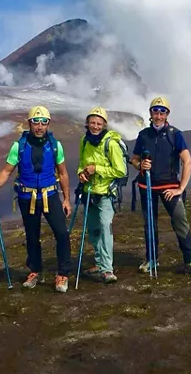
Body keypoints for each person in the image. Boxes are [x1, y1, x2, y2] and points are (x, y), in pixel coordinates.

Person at [0, 106, 73, 293]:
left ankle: (63, 274)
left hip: (50, 195)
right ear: (29, 123)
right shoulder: (19, 146)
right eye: (35, 122)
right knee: (32, 236)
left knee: (62, 234)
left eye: (43, 122)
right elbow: (7, 171)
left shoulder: (56, 146)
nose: (39, 126)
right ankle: (35, 271)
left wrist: (66, 199)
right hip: (27, 197)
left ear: (48, 123)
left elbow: (63, 173)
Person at [129, 96, 191, 276]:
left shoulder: (175, 134)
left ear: (167, 114)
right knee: (150, 224)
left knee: (180, 221)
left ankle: (190, 260)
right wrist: (139, 165)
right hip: (147, 186)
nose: (159, 115)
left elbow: (188, 162)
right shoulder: (143, 135)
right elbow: (134, 158)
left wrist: (180, 188)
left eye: (162, 111)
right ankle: (151, 259)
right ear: (150, 113)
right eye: (155, 111)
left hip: (170, 185)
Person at [76, 106, 128, 284]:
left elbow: (120, 171)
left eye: (99, 123)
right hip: (89, 192)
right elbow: (82, 164)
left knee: (105, 227)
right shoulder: (84, 141)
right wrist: (81, 173)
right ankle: (99, 263)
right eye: (92, 122)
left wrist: (96, 169)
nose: (95, 126)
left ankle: (107, 269)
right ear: (87, 123)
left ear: (104, 125)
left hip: (106, 193)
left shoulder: (110, 143)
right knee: (94, 229)